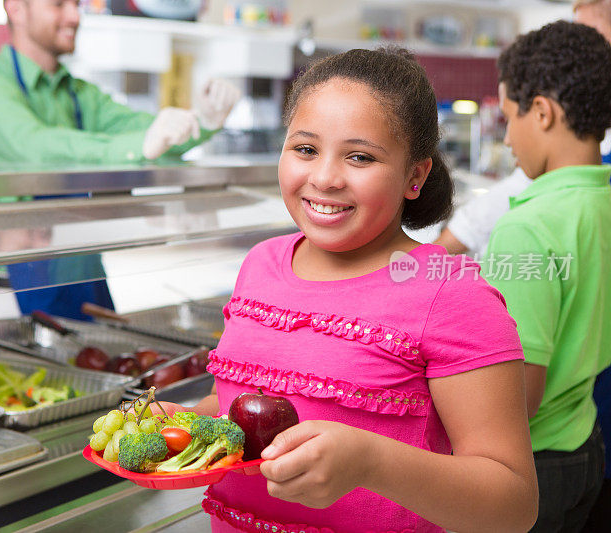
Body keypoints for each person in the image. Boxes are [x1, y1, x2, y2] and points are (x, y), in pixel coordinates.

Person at [155, 48, 538, 532]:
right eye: (306, 149)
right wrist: (187, 425)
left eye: (360, 156)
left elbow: (514, 506)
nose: (325, 178)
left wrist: (370, 462)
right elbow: (235, 405)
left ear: (415, 176)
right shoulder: (260, 264)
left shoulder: (452, 294)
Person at [0, 0, 240, 321]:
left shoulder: (80, 93)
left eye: (76, 4)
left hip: (86, 281)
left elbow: (149, 134)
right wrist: (141, 145)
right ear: (16, 9)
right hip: (13, 296)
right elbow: (35, 147)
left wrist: (204, 121)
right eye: (59, 5)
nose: (75, 16)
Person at [482, 21, 611, 532]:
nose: (508, 136)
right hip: (585, 441)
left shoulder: (529, 228)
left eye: (510, 116)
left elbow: (519, 398)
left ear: (542, 111)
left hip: (531, 465)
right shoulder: (600, 203)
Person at [435, 0, 611, 258]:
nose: (584, 53)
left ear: (542, 113)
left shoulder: (524, 230)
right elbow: (512, 191)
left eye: (594, 35)